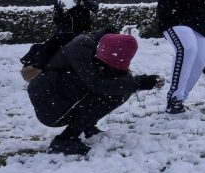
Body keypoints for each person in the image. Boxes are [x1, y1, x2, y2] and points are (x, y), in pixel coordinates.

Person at [26, 30, 163, 155]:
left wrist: (142, 81)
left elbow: (113, 81)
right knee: (114, 90)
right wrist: (137, 83)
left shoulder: (98, 47)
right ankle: (64, 140)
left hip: (60, 97)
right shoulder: (80, 49)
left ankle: (86, 125)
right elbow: (97, 84)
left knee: (118, 89)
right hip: (50, 108)